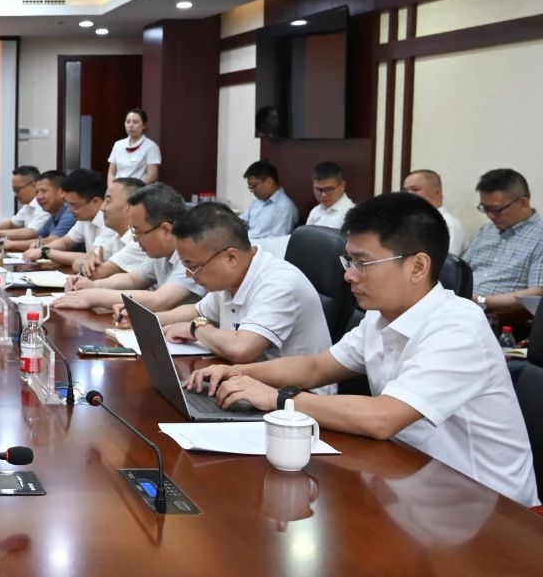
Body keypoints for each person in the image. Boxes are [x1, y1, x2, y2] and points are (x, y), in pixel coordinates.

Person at [188, 192, 538, 507]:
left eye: (362, 263)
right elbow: (317, 367)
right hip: (409, 480)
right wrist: (238, 372)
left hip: (487, 509)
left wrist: (276, 398)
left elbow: (383, 417)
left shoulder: (458, 328)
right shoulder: (380, 317)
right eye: (348, 262)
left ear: (417, 266)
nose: (349, 276)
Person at [157, 202, 334, 375]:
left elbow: (242, 349)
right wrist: (153, 321)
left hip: (295, 391)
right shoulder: (231, 278)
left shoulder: (279, 283)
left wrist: (196, 328)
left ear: (231, 257)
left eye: (194, 266)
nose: (189, 275)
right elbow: (197, 311)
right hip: (249, 378)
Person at [54, 183, 203, 321]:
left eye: (138, 232)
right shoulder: (160, 252)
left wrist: (92, 297)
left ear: (165, 230)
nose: (136, 239)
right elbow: (133, 279)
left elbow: (160, 301)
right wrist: (91, 285)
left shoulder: (193, 254)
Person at [463, 168, 543, 316]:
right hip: (462, 305)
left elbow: (537, 293)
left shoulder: (540, 237)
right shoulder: (486, 230)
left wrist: (481, 300)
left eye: (496, 209)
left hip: (497, 316)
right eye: (485, 208)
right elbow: (463, 269)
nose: (490, 216)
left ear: (523, 203)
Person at [22, 169, 112, 270]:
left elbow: (91, 258)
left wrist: (45, 252)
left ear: (95, 201)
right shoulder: (85, 218)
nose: (70, 210)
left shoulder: (110, 222)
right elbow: (65, 242)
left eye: (74, 205)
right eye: (68, 204)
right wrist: (41, 249)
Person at [78, 177, 145, 280]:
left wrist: (89, 265)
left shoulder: (139, 241)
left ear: (130, 207)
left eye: (108, 201)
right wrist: (86, 264)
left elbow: (96, 273)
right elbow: (77, 262)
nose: (102, 208)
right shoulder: (116, 239)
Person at [0, 170, 76, 251]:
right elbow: (37, 237)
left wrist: (12, 244)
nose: (38, 197)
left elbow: (52, 241)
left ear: (61, 192)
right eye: (37, 192)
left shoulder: (70, 213)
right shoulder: (53, 216)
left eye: (44, 191)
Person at [402, 169, 466, 255]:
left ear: (437, 192)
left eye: (415, 189)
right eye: (405, 191)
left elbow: (445, 261)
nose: (408, 194)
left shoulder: (449, 226)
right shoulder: (408, 222)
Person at [0, 166, 47, 237]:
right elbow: (12, 224)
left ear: (34, 185)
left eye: (17, 189)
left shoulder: (44, 206)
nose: (15, 194)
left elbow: (31, 232)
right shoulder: (28, 206)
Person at [238, 160, 298, 239]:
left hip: (261, 245)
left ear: (269, 182)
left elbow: (276, 239)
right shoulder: (257, 202)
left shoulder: (285, 207)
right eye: (250, 187)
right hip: (245, 242)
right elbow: (239, 222)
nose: (252, 191)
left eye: (254, 186)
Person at [106, 107, 161, 183]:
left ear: (144, 125)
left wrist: (134, 188)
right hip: (117, 188)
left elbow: (152, 176)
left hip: (138, 188)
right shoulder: (118, 144)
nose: (130, 125)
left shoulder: (151, 146)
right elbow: (111, 172)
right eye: (128, 122)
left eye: (135, 122)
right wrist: (111, 187)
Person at [306, 161, 355, 230]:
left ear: (342, 186)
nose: (323, 195)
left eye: (329, 189)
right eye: (318, 189)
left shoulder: (352, 215)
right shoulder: (315, 211)